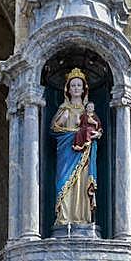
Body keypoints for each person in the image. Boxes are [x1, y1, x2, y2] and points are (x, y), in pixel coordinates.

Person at [52, 67, 100, 226]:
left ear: (84, 89)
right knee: (65, 183)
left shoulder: (89, 111)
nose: (76, 88)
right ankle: (64, 219)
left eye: (79, 85)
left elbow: (97, 128)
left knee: (82, 183)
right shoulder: (64, 109)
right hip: (67, 152)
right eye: (73, 85)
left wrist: (95, 135)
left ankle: (82, 218)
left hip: (85, 154)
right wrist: (66, 124)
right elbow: (55, 130)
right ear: (68, 89)